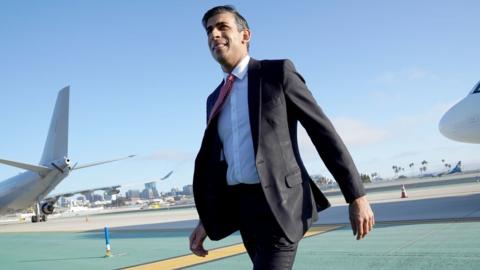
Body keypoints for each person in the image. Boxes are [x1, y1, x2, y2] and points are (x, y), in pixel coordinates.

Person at [189, 5, 374, 269]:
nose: (214, 35)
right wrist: (205, 221)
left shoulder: (277, 74)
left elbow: (323, 132)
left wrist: (357, 196)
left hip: (281, 206)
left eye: (222, 27)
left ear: (245, 35)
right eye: (209, 31)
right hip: (244, 211)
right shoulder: (214, 99)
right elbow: (219, 163)